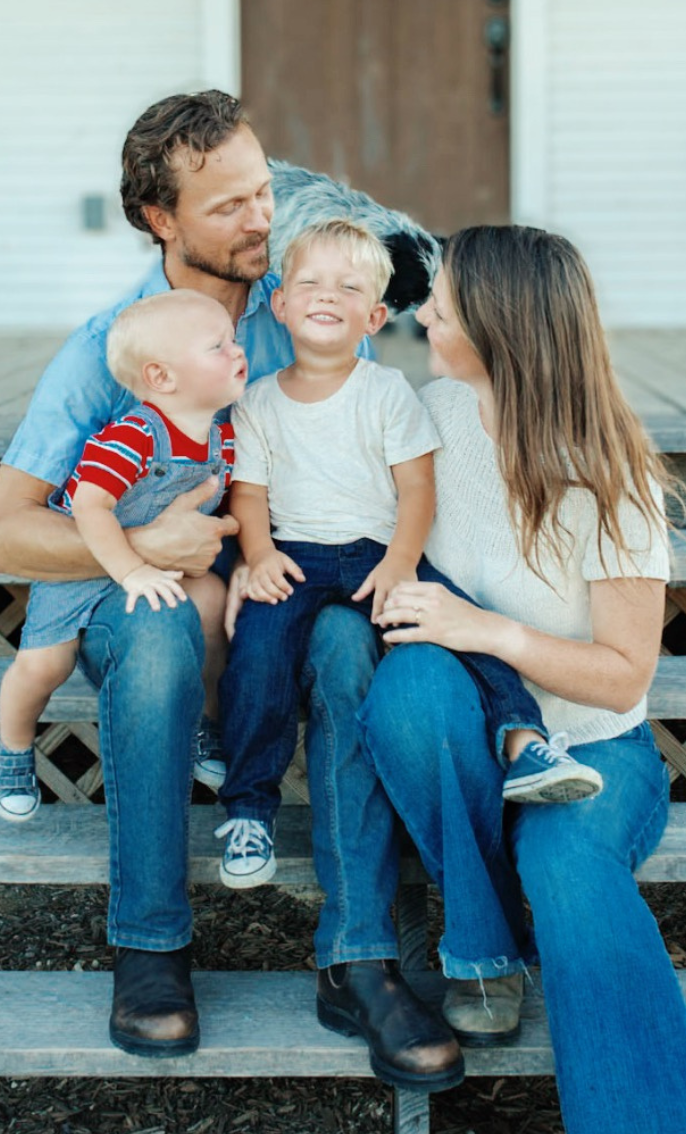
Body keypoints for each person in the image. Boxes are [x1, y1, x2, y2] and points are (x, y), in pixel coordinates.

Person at [0, 91, 463, 1089]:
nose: (263, 220)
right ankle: (150, 945)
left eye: (264, 192)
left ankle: (358, 959)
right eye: (230, 205)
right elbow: (0, 535)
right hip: (142, 587)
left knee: (344, 644)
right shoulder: (113, 346)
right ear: (162, 220)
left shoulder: (307, 310)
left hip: (286, 585)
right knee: (156, 641)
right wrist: (144, 542)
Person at [359, 225, 686, 1133]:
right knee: (409, 690)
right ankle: (486, 948)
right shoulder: (435, 417)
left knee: (569, 872)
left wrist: (490, 630)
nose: (420, 316)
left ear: (500, 331)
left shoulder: (610, 482)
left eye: (440, 307)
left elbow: (620, 678)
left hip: (596, 752)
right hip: (471, 744)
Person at [216, 218, 603, 890]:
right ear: (279, 305)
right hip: (296, 558)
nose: (326, 295)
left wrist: (400, 562)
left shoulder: (389, 393)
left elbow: (416, 492)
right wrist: (255, 556)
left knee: (458, 621)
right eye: (309, 282)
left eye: (347, 287)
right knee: (256, 654)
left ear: (373, 317)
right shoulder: (257, 405)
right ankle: (249, 810)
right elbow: (247, 494)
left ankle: (525, 742)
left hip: (378, 551)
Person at [0, 289, 247, 823]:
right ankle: (12, 748)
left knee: (214, 604)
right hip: (84, 566)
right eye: (217, 345)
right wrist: (129, 569)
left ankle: (205, 724)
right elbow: (90, 506)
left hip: (161, 567)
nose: (237, 350)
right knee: (43, 665)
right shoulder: (130, 437)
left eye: (234, 339)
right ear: (162, 377)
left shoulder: (223, 439)